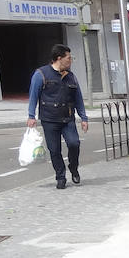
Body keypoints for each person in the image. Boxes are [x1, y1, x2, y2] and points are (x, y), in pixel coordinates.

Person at [27, 45, 89, 189]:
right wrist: (31, 115)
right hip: (49, 119)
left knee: (74, 143)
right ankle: (60, 177)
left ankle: (73, 167)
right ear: (59, 58)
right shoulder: (41, 74)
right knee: (54, 150)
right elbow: (33, 96)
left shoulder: (70, 76)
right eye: (69, 58)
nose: (71, 61)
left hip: (67, 119)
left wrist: (83, 118)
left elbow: (78, 98)